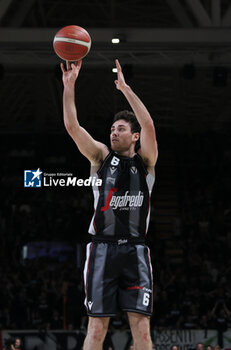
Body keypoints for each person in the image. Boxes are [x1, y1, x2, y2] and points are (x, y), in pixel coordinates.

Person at [61, 58, 158, 350]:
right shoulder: (101, 157)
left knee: (141, 328)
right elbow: (72, 126)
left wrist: (125, 89)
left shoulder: (146, 163)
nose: (113, 132)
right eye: (112, 128)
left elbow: (150, 123)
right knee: (96, 327)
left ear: (134, 135)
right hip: (102, 247)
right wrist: (69, 86)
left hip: (136, 249)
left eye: (120, 128)